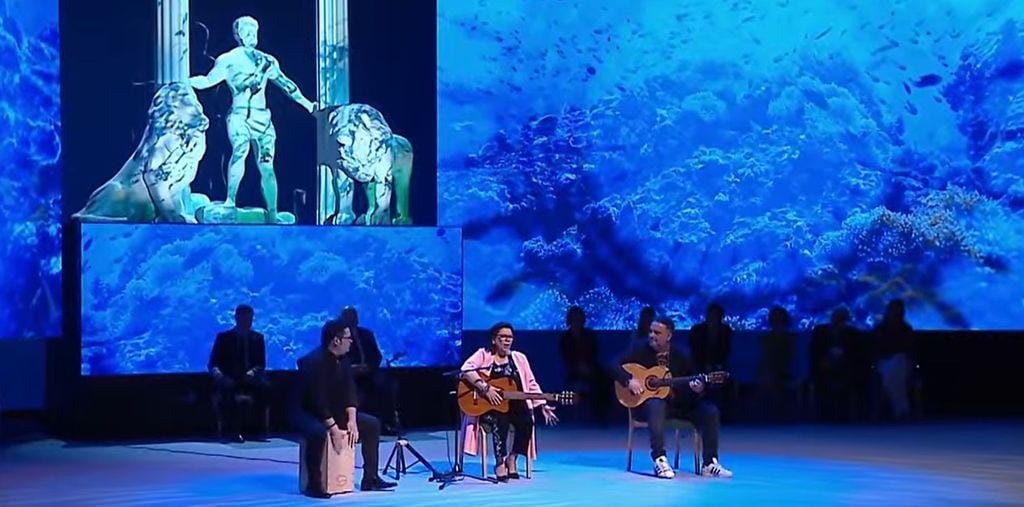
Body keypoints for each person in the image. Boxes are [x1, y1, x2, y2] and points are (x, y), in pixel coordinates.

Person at [189, 16, 316, 222]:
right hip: (240, 117)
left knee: (267, 164)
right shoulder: (229, 60)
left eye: (254, 31)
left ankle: (273, 212)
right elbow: (208, 80)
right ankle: (230, 201)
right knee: (239, 152)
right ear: (237, 35)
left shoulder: (267, 60)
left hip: (262, 118)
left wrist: (308, 104)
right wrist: (183, 82)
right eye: (246, 31)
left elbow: (286, 84)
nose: (251, 35)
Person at [618, 316, 733, 479]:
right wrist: (628, 380)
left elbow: (693, 385)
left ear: (669, 336)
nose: (651, 335)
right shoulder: (639, 351)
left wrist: (697, 389)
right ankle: (660, 459)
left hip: (678, 407)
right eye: (650, 332)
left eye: (657, 332)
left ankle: (709, 463)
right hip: (650, 408)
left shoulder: (682, 356)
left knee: (710, 410)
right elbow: (612, 365)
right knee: (656, 403)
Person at [292, 321, 397, 497]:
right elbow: (316, 400)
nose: (352, 342)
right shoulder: (311, 362)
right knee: (317, 432)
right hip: (307, 412)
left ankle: (370, 478)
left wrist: (352, 420)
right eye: (348, 338)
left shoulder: (344, 361)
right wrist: (333, 428)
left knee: (371, 424)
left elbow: (350, 392)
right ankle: (314, 483)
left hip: (333, 410)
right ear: (336, 340)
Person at [461, 322, 558, 481]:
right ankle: (499, 462)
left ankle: (512, 458)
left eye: (510, 337)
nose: (507, 341)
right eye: (503, 337)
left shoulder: (519, 358)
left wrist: (542, 404)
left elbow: (531, 383)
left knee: (527, 421)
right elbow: (466, 369)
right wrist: (486, 388)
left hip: (513, 405)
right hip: (488, 407)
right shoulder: (483, 354)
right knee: (501, 420)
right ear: (494, 339)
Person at [208, 304, 269, 442]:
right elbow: (213, 364)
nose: (247, 323)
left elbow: (261, 364)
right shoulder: (224, 338)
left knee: (266, 389)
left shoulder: (258, 338)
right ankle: (234, 431)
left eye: (250, 319)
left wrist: (253, 372)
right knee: (229, 392)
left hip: (250, 378)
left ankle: (258, 430)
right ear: (236, 318)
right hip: (229, 378)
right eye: (244, 319)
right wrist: (220, 376)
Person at [336, 306, 395, 433]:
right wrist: (352, 369)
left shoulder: (366, 334)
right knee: (350, 388)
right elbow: (335, 358)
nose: (352, 319)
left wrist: (369, 367)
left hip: (369, 372)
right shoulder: (338, 337)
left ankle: (386, 424)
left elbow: (377, 356)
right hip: (349, 374)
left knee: (385, 384)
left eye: (354, 316)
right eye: (348, 317)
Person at [558, 306, 610, 424]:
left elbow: (595, 353)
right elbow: (566, 357)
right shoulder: (565, 338)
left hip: (591, 368)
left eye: (579, 319)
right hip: (573, 371)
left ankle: (602, 416)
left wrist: (588, 366)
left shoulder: (590, 335)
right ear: (570, 321)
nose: (577, 322)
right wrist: (578, 367)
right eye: (574, 319)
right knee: (591, 380)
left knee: (604, 380)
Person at [874, 299, 916, 421]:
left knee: (897, 363)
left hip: (903, 361)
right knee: (895, 372)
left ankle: (899, 409)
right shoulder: (880, 328)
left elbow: (909, 349)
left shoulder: (906, 329)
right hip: (884, 361)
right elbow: (878, 348)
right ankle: (902, 409)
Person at [756, 306, 797, 421]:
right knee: (767, 378)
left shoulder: (790, 338)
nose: (777, 323)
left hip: (784, 370)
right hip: (768, 370)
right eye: (774, 320)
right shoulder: (766, 338)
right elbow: (765, 357)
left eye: (779, 320)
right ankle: (768, 415)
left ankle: (777, 416)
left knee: (773, 380)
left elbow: (789, 358)